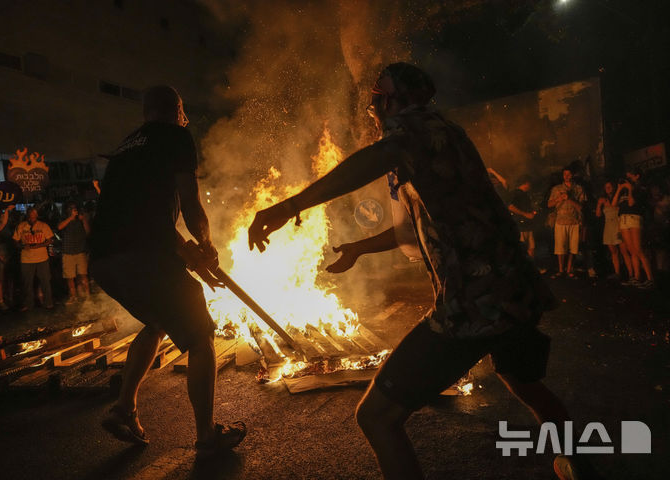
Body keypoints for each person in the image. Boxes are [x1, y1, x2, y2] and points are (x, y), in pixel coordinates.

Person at [248, 63, 589, 480]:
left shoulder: (418, 129)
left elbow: (374, 159)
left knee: (376, 416)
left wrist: (289, 206)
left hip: (473, 301)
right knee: (526, 385)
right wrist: (358, 248)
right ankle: (578, 464)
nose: (372, 108)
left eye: (377, 99)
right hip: (510, 291)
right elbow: (411, 229)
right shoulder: (438, 137)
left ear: (395, 100)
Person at [89, 85, 246, 454]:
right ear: (177, 110)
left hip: (104, 258)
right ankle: (207, 434)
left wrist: (190, 255)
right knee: (201, 337)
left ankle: (124, 408)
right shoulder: (176, 136)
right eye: (183, 113)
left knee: (158, 321)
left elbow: (142, 217)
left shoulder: (127, 147)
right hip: (142, 255)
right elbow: (190, 203)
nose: (185, 119)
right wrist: (206, 245)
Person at [614, 169, 654, 288]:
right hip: (623, 219)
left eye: (630, 176)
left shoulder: (640, 188)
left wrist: (630, 188)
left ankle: (650, 278)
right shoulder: (624, 190)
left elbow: (631, 203)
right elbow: (614, 204)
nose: (628, 179)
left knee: (638, 249)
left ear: (637, 176)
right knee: (631, 250)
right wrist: (620, 188)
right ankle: (636, 277)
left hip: (634, 218)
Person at [12, 207, 54, 311]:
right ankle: (28, 304)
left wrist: (40, 245)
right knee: (27, 282)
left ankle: (48, 302)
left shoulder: (43, 226)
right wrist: (22, 246)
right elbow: (15, 241)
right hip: (26, 259)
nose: (32, 216)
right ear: (27, 215)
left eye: (34, 214)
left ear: (37, 215)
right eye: (30, 214)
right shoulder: (21, 226)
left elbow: (50, 240)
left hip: (42, 258)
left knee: (45, 281)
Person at [547, 167, 586, 278]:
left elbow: (581, 207)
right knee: (560, 247)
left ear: (572, 175)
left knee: (572, 248)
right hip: (560, 221)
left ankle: (569, 269)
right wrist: (559, 199)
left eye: (569, 174)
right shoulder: (556, 189)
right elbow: (549, 204)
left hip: (574, 222)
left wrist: (569, 199)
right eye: (565, 174)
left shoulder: (578, 189)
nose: (567, 176)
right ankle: (560, 269)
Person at [596, 180, 632, 280]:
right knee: (613, 252)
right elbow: (598, 214)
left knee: (624, 251)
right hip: (608, 227)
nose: (608, 189)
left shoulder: (618, 198)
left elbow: (615, 206)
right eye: (606, 187)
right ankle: (617, 273)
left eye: (610, 187)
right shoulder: (603, 199)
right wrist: (599, 204)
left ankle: (631, 274)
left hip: (618, 226)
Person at [57, 201, 90, 304]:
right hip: (68, 252)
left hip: (80, 251)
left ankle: (88, 296)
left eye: (74, 208)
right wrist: (71, 218)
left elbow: (88, 232)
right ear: (67, 209)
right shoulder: (64, 219)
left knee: (83, 274)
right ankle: (73, 296)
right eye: (71, 208)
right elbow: (59, 227)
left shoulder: (80, 219)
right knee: (69, 277)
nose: (73, 209)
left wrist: (84, 219)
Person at [507, 176, 540, 262]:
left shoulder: (525, 194)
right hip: (520, 226)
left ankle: (531, 269)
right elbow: (511, 207)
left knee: (531, 247)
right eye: (529, 183)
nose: (530, 186)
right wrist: (525, 214)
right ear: (526, 183)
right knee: (522, 248)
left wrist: (532, 212)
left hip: (528, 225)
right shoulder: (516, 193)